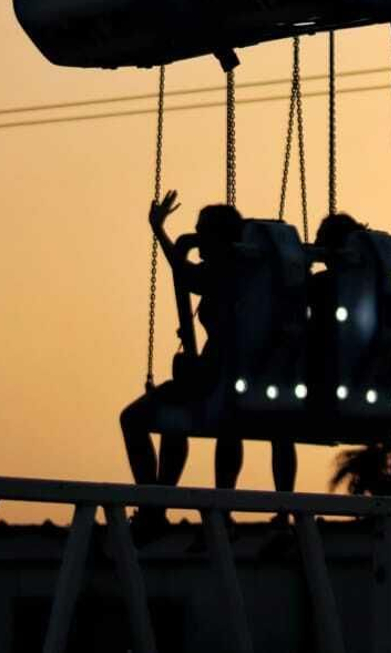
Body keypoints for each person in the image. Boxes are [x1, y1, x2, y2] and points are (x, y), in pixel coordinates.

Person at [119, 192, 297, 537]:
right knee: (175, 423)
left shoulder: (229, 274)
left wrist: (159, 231)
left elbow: (185, 275)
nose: (197, 237)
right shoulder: (239, 273)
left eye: (202, 231)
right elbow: (188, 276)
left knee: (135, 419)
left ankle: (155, 505)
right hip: (220, 375)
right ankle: (159, 505)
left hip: (218, 377)